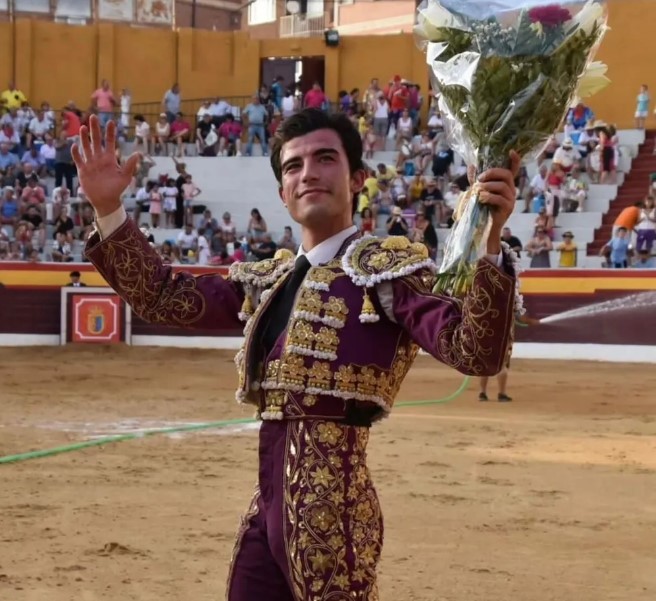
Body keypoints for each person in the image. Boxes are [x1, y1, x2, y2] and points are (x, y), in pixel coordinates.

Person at [73, 110, 520, 601]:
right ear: (283, 193)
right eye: (293, 166)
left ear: (357, 180)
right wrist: (109, 209)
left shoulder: (388, 274)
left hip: (335, 508)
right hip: (267, 502)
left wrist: (490, 243)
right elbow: (164, 297)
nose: (308, 173)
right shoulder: (268, 281)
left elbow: (476, 352)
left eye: (325, 159)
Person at [478, 313, 540, 402]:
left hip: (486, 335)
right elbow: (522, 318)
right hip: (502, 336)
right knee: (502, 364)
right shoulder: (510, 305)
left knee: (486, 364)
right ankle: (501, 393)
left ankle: (482, 393)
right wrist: (533, 321)